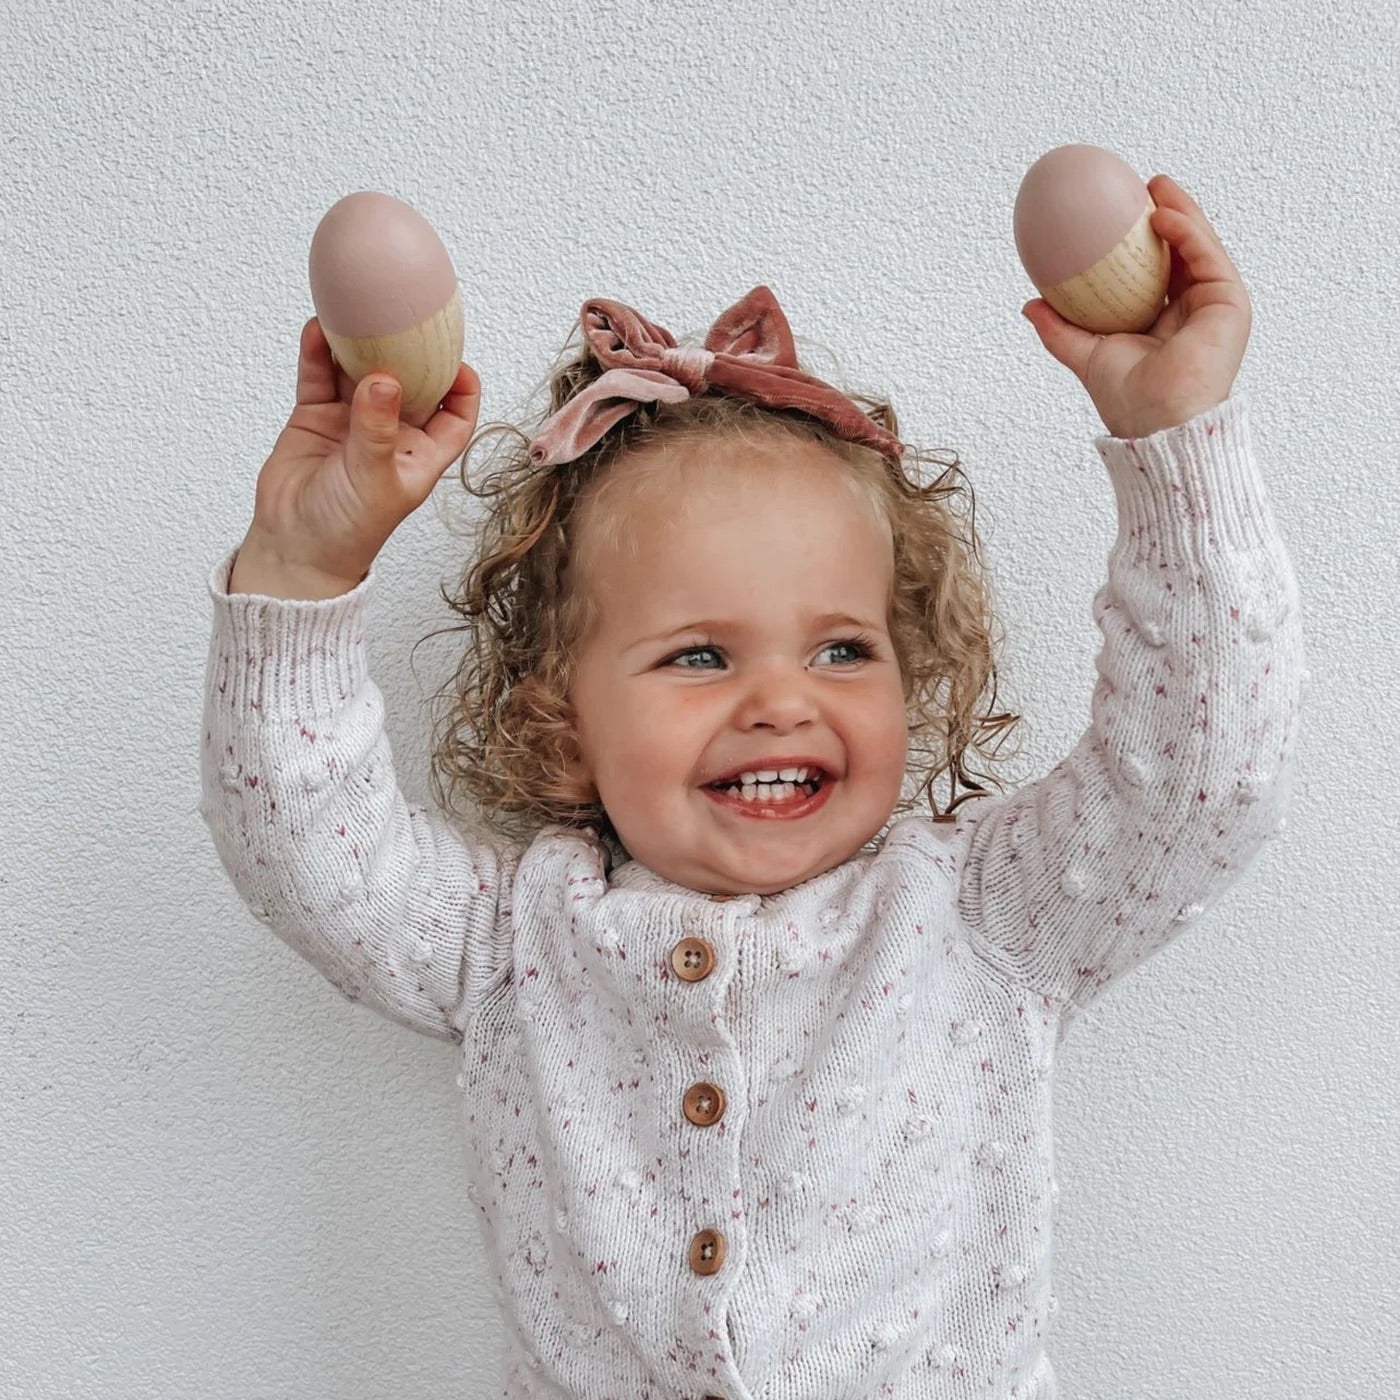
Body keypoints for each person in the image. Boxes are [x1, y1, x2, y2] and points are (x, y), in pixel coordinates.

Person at [200, 174, 1303, 1399]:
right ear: (560, 720)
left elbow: (1198, 777)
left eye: (841, 649)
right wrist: (305, 562)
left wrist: (1174, 437)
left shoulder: (978, 913)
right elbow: (302, 842)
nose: (781, 699)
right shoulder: (510, 937)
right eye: (698, 656)